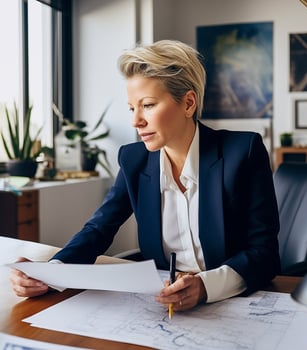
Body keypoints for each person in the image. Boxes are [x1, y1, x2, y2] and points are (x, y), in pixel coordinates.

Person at [10, 40, 280, 311]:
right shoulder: (134, 160)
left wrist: (205, 287)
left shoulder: (243, 152)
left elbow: (265, 254)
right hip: (164, 303)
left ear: (188, 103)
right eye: (131, 108)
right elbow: (98, 229)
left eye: (148, 105)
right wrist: (50, 273)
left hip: (237, 302)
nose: (135, 121)